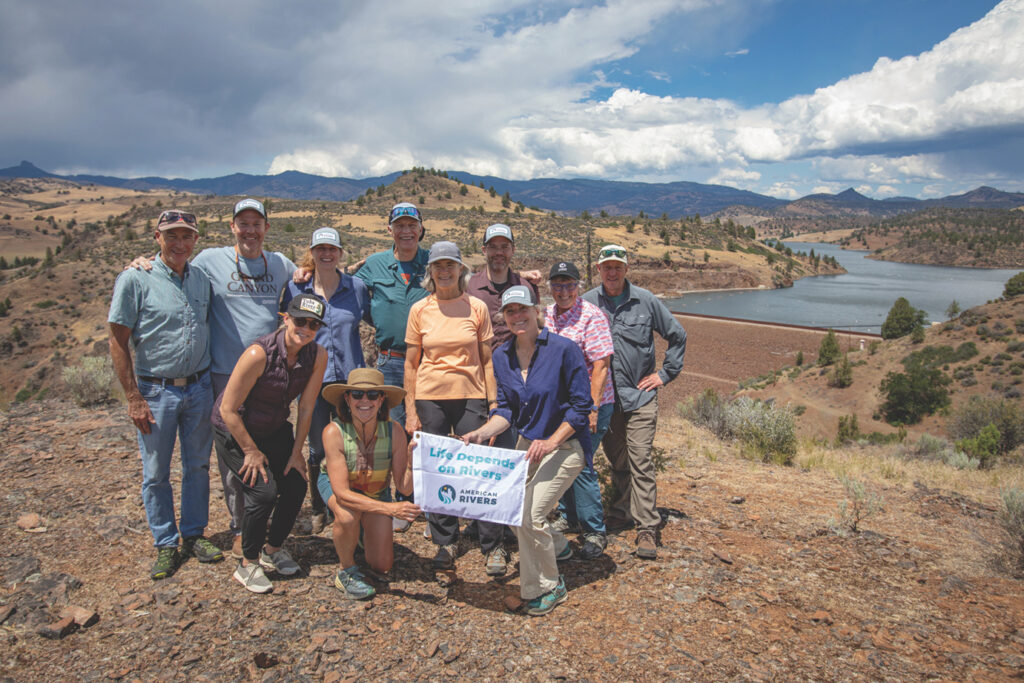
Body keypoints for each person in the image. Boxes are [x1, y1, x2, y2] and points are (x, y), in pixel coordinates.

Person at [130, 198, 297, 558]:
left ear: (266, 228)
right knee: (231, 456)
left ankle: (258, 516)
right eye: (243, 224)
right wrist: (141, 260)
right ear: (232, 228)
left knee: (258, 446)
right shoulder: (208, 260)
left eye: (257, 223)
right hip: (221, 374)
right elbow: (172, 258)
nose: (250, 230)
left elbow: (310, 273)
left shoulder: (281, 264)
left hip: (266, 375)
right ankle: (239, 525)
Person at [462, 286, 593, 616]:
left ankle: (550, 586)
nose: (517, 316)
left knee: (529, 514)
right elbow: (505, 412)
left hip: (566, 444)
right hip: (529, 445)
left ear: (537, 311)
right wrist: (480, 433)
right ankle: (558, 547)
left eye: (523, 309)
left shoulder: (564, 350)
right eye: (510, 312)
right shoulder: (502, 356)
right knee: (515, 506)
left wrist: (551, 441)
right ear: (503, 317)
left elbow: (581, 407)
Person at [109, 209, 223, 580]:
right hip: (155, 391)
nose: (179, 243)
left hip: (199, 387)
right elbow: (118, 340)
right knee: (156, 472)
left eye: (187, 236)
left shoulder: (201, 279)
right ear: (157, 238)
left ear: (195, 240)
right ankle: (165, 543)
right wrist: (133, 398)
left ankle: (193, 534)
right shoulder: (135, 279)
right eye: (171, 236)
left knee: (198, 466)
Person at [212, 294, 328, 593]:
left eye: (313, 324)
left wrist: (296, 452)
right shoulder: (258, 354)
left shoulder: (316, 356)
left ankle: (273, 549)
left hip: (274, 426)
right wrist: (250, 451)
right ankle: (248, 563)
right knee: (263, 492)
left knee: (296, 484)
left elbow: (305, 408)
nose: (306, 328)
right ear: (285, 318)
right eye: (300, 321)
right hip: (235, 428)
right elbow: (227, 409)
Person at [582, 245, 687, 560]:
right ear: (598, 269)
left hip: (640, 397)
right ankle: (621, 509)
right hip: (606, 400)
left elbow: (677, 335)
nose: (612, 273)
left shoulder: (646, 300)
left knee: (640, 460)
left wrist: (664, 374)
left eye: (618, 267)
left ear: (626, 269)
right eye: (606, 267)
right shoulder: (587, 302)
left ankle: (646, 528)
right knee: (618, 461)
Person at [404, 241, 502, 574]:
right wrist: (410, 410)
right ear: (429, 271)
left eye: (450, 266)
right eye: (438, 266)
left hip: (470, 395)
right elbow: (411, 363)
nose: (444, 272)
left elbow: (487, 359)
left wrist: (492, 402)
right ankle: (445, 540)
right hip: (430, 396)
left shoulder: (476, 307)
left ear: (461, 269)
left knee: (477, 469)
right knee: (437, 469)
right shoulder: (420, 309)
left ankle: (492, 545)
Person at [280, 227, 369, 534]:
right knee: (317, 449)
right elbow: (286, 331)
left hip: (350, 385)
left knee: (352, 446)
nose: (327, 254)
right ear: (313, 253)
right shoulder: (297, 290)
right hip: (312, 384)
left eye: (332, 249)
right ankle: (321, 507)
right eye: (321, 249)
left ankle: (353, 504)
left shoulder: (356, 288)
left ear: (340, 253)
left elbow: (371, 318)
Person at [318, 369, 420, 600]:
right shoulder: (333, 432)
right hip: (343, 490)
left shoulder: (394, 431)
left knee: (381, 566)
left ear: (382, 399)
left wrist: (413, 465)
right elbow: (343, 494)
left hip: (376, 491)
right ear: (347, 398)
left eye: (373, 395)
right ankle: (346, 570)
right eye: (357, 394)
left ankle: (360, 533)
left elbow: (404, 489)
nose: (365, 401)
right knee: (346, 514)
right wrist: (390, 509)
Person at [544, 260, 614, 560]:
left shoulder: (592, 316)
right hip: (561, 406)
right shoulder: (547, 315)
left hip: (589, 405)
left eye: (569, 285)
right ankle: (568, 515)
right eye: (557, 285)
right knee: (563, 460)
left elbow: (601, 366)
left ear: (579, 286)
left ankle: (595, 531)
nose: (563, 291)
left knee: (581, 463)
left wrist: (592, 407)